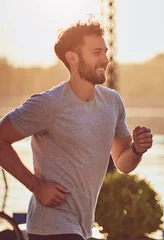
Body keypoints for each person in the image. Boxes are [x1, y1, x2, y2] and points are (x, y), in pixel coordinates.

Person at [0, 18, 153, 240]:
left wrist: (137, 149)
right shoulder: (48, 104)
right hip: (50, 226)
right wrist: (37, 187)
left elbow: (122, 162)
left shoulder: (112, 102)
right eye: (96, 52)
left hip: (82, 228)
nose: (105, 59)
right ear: (72, 58)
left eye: (105, 52)